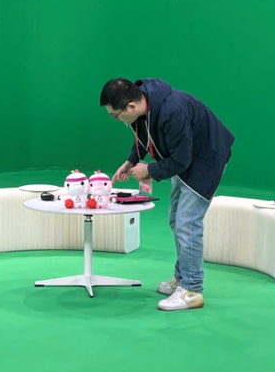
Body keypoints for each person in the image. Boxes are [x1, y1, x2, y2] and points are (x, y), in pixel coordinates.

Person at [100, 77, 234, 312]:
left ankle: (192, 290)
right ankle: (183, 278)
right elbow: (144, 134)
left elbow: (181, 160)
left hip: (205, 160)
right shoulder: (145, 102)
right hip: (186, 157)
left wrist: (149, 170)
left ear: (131, 106)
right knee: (176, 219)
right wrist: (131, 161)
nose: (116, 120)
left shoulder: (172, 111)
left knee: (187, 223)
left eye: (115, 116)